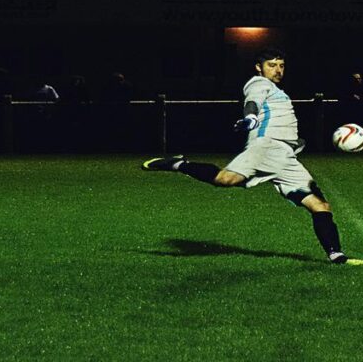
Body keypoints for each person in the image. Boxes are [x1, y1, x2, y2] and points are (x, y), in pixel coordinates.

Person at [141, 47, 348, 264]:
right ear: (259, 68)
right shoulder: (259, 83)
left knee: (320, 205)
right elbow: (253, 103)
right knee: (225, 179)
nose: (278, 70)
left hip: (286, 155)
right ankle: (178, 165)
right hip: (266, 146)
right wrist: (250, 117)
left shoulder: (279, 91)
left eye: (281, 65)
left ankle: (336, 254)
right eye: (272, 65)